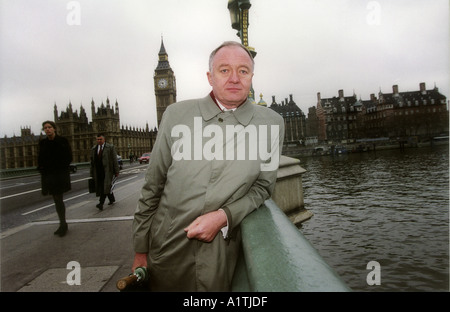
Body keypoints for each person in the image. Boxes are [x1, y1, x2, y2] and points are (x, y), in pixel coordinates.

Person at [132, 41, 285, 291]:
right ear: (210, 77)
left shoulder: (272, 124)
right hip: (168, 247)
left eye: (243, 71)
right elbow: (152, 187)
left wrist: (224, 216)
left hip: (222, 253)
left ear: (252, 77)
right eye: (224, 70)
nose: (235, 78)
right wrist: (140, 250)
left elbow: (262, 189)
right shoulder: (176, 115)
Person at [37, 121, 72, 237]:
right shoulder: (42, 143)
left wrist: (59, 167)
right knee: (57, 200)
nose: (47, 129)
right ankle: (63, 223)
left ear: (54, 129)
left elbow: (68, 157)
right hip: (49, 176)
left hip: (60, 175)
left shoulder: (62, 141)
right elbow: (40, 159)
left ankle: (63, 224)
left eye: (49, 127)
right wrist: (42, 169)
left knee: (58, 198)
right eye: (45, 128)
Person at [90, 134, 119, 210]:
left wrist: (116, 170)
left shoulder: (110, 147)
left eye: (100, 139)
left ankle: (101, 203)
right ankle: (111, 199)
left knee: (104, 186)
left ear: (104, 140)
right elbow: (92, 162)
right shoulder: (94, 149)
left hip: (107, 171)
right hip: (98, 171)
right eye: (97, 139)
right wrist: (91, 173)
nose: (99, 141)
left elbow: (114, 159)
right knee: (105, 186)